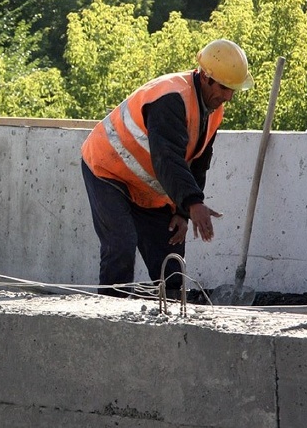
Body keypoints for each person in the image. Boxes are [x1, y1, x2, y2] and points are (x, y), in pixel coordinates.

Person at [80, 39, 254, 298]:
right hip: (108, 170)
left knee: (171, 259)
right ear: (205, 77)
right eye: (224, 88)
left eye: (232, 90)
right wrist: (193, 203)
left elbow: (198, 163)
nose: (228, 96)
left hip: (146, 188)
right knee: (121, 245)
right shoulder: (171, 98)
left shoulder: (213, 112)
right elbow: (167, 158)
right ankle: (109, 317)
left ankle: (172, 317)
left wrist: (182, 212)